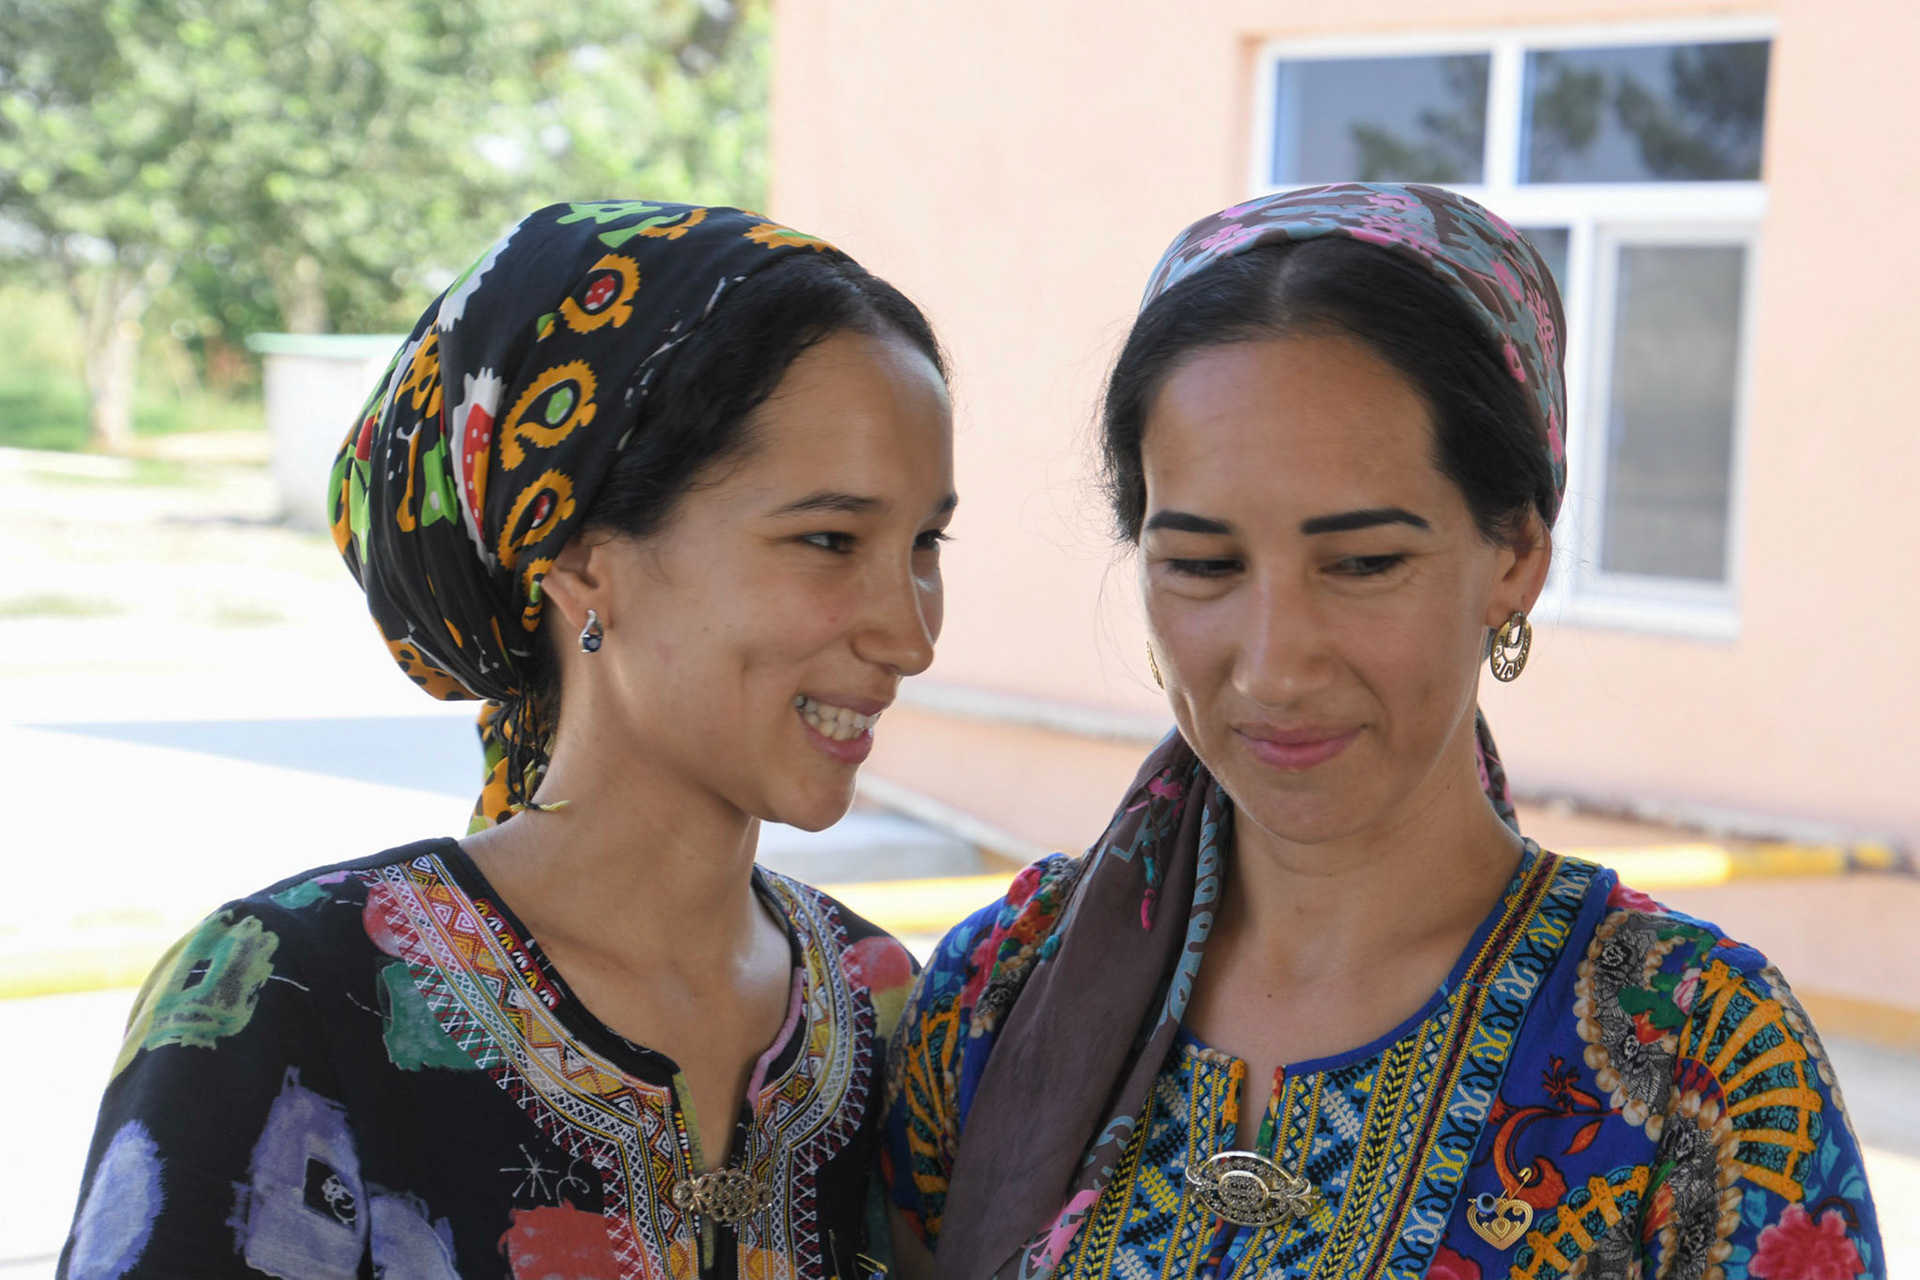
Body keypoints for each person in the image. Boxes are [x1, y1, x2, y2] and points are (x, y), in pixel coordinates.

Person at [882, 184, 1883, 1280]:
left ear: (1515, 558)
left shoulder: (1704, 1055)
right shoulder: (1000, 988)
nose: (1273, 662)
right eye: (1203, 565)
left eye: (1363, 563)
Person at [61, 200, 955, 1280]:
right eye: (828, 538)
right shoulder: (283, 999)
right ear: (582, 559)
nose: (909, 632)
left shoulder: (888, 1006)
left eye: (924, 543)